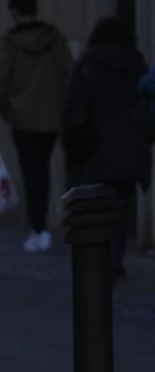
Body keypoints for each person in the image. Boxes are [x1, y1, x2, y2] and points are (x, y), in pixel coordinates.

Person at [63, 18, 152, 279]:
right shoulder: (137, 64)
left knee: (96, 205)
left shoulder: (87, 64)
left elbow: (71, 104)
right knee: (121, 205)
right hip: (129, 146)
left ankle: (101, 257)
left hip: (94, 145)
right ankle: (116, 256)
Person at [0, 0, 72, 253]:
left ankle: (37, 227)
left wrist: (8, 111)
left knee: (30, 172)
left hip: (22, 118)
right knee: (43, 170)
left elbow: (0, 85)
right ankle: (41, 227)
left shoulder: (9, 44)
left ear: (15, 12)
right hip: (50, 117)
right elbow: (67, 74)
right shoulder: (56, 39)